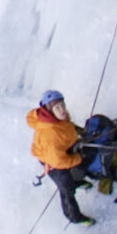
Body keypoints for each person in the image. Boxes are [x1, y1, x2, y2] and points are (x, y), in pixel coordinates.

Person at [26, 92, 95, 225]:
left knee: (76, 168)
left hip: (61, 149)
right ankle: (74, 217)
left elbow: (67, 127)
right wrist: (78, 158)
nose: (62, 110)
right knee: (67, 189)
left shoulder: (57, 118)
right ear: (49, 111)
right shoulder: (50, 135)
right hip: (53, 162)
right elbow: (59, 161)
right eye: (57, 108)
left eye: (62, 105)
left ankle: (76, 182)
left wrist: (79, 133)